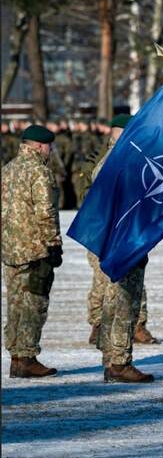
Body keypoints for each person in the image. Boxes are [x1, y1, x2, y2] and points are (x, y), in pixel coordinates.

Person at [87, 114, 155, 382]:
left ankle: (112, 361)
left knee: (112, 303)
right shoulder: (120, 165)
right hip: (123, 244)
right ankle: (119, 363)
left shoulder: (108, 163)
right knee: (123, 304)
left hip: (114, 243)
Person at [2, 125, 62, 377]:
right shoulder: (39, 171)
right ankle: (26, 357)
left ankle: (16, 356)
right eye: (49, 146)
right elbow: (45, 211)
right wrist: (53, 244)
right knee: (34, 303)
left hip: (11, 249)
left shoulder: (8, 169)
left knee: (15, 303)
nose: (50, 151)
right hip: (36, 249)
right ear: (38, 146)